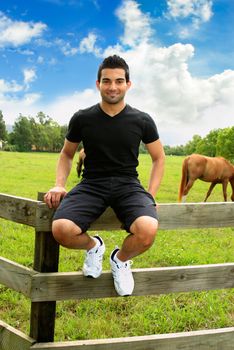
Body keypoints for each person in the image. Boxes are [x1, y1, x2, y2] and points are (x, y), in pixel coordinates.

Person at [44, 55, 165, 296]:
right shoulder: (82, 118)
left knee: (148, 229)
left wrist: (150, 195)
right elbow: (67, 154)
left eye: (119, 81)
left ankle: (120, 260)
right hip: (92, 184)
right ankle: (94, 246)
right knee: (61, 229)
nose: (113, 87)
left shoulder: (142, 120)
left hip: (128, 184)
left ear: (128, 85)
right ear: (98, 83)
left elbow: (159, 158)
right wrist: (59, 185)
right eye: (106, 81)